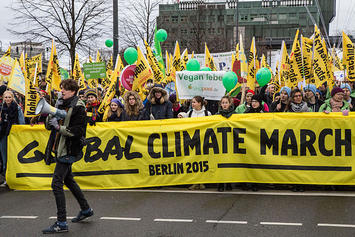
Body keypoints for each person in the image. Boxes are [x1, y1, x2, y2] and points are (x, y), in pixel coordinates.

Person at [42, 79, 93, 234]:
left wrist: (60, 128)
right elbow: (49, 125)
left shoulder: (79, 107)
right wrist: (50, 119)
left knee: (56, 183)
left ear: (72, 91)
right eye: (61, 89)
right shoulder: (61, 104)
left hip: (69, 150)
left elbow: (78, 131)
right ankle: (85, 209)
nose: (61, 91)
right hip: (60, 148)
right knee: (68, 180)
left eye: (64, 89)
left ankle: (62, 222)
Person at [178, 96, 211, 190]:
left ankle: (202, 182)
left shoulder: (207, 113)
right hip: (192, 141)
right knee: (194, 162)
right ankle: (194, 182)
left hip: (203, 140)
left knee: (203, 162)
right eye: (192, 102)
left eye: (194, 102)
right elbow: (185, 118)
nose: (192, 104)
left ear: (200, 103)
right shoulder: (190, 112)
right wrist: (181, 114)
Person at [0, 90, 25, 186]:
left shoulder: (17, 108)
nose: (7, 99)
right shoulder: (2, 108)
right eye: (6, 97)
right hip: (3, 135)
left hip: (13, 136)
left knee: (13, 157)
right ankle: (7, 178)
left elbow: (21, 122)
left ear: (13, 98)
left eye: (9, 97)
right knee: (5, 158)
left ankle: (16, 178)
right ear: (3, 98)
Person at [216, 96, 235, 192]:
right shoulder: (217, 115)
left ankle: (228, 183)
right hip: (220, 142)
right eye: (223, 103)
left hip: (231, 141)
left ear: (230, 104)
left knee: (229, 162)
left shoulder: (235, 115)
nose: (224, 104)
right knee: (220, 163)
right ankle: (220, 183)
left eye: (226, 102)